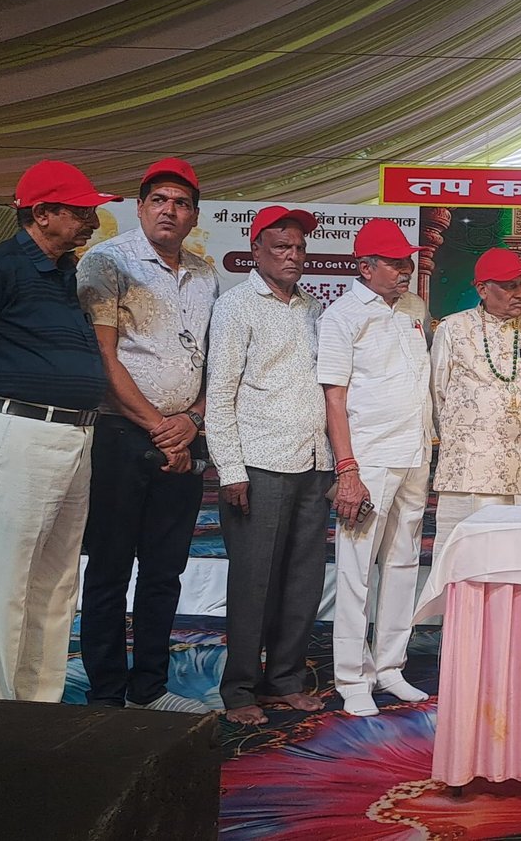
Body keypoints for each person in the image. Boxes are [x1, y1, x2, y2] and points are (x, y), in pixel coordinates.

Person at [0, 160, 121, 701]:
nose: (92, 221)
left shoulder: (64, 273)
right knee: (7, 585)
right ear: (41, 213)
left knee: (57, 585)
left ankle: (39, 709)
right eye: (80, 211)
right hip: (17, 431)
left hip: (73, 436)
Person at [76, 157, 216, 713]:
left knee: (164, 570)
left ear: (194, 216)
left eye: (181, 203)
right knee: (110, 569)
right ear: (139, 208)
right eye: (159, 199)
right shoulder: (106, 261)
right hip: (121, 434)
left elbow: (211, 364)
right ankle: (108, 694)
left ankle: (150, 688)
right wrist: (161, 429)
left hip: (184, 436)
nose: (169, 210)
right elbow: (102, 357)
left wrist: (192, 421)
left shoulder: (204, 274)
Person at [206, 205, 331, 726]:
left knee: (303, 581)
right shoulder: (236, 306)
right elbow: (219, 394)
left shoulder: (312, 308)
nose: (293, 256)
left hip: (313, 462)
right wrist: (231, 469)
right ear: (256, 251)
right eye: (281, 247)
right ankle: (239, 689)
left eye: (299, 248)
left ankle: (284, 680)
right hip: (258, 464)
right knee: (253, 582)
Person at [317, 219, 433, 715]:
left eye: (407, 261)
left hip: (415, 454)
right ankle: (352, 677)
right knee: (356, 570)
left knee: (403, 564)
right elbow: (334, 397)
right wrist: (347, 468)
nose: (404, 269)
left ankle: (390, 667)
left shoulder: (414, 308)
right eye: (394, 262)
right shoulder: (341, 316)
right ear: (364, 268)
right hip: (368, 461)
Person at [430, 247, 521, 541]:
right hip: (467, 469)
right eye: (510, 286)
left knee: (516, 556)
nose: (520, 293)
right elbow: (437, 393)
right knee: (463, 555)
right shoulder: (453, 328)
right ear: (483, 289)